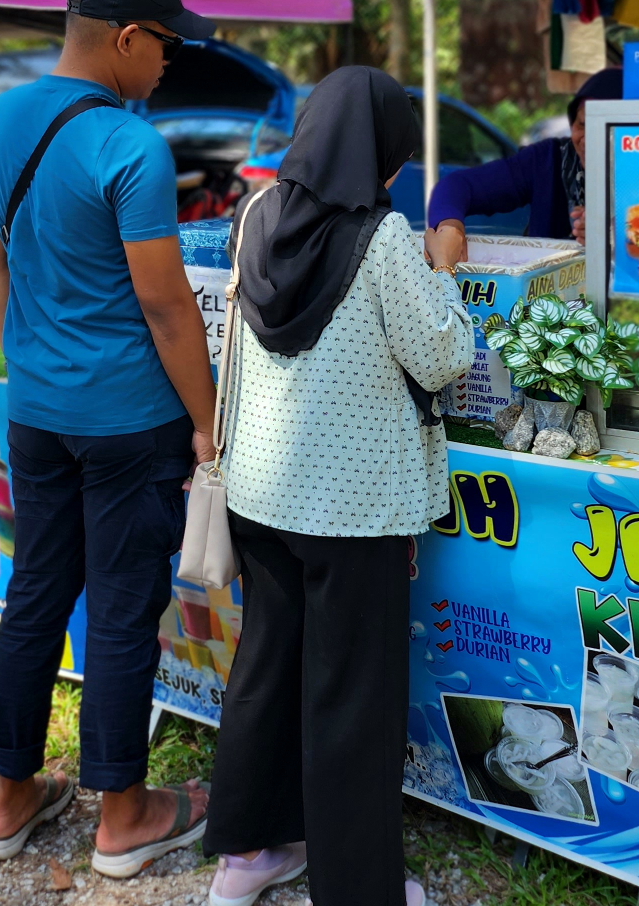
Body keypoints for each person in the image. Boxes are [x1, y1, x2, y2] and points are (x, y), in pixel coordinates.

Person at [0, 0, 220, 879]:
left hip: (37, 413)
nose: (168, 64)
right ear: (124, 38)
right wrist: (207, 418)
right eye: (165, 46)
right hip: (127, 424)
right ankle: (124, 816)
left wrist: (28, 358)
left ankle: (9, 799)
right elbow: (165, 306)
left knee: (34, 594)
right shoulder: (130, 146)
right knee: (119, 611)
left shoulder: (1, 118)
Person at [204, 66, 474, 906]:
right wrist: (449, 274)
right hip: (353, 506)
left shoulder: (253, 213)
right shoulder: (384, 236)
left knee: (267, 668)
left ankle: (248, 856)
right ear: (379, 148)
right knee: (352, 696)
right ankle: (359, 889)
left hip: (260, 491)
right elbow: (440, 355)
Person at [423, 65, 622, 267]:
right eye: (582, 124)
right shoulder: (547, 160)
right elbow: (455, 187)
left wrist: (614, 238)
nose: (588, 139)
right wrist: (450, 227)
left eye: (603, 126)